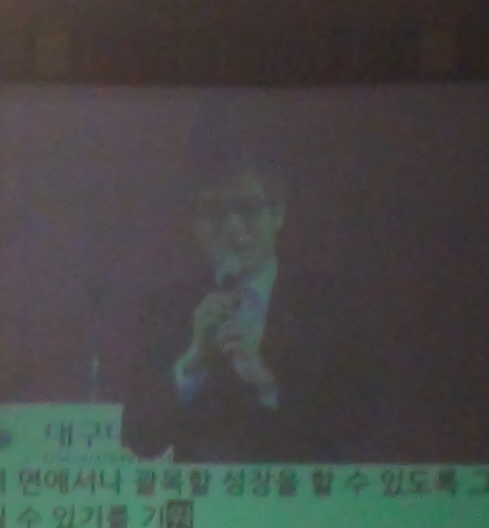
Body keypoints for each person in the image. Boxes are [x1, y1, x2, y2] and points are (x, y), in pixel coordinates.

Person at [121, 135, 351, 463]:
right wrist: (192, 363)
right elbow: (140, 439)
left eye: (248, 209)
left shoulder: (328, 307)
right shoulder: (165, 310)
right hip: (203, 495)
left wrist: (265, 384)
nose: (232, 227)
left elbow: (353, 430)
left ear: (278, 214)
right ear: (194, 225)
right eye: (213, 212)